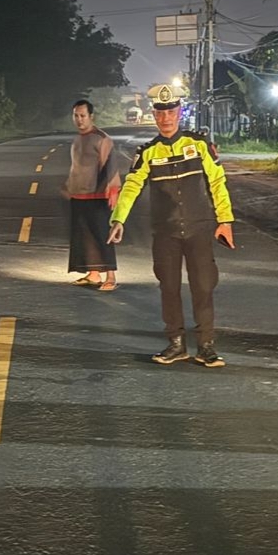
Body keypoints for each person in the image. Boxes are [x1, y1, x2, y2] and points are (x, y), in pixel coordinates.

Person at [107, 84, 235, 367]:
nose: (165, 119)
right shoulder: (148, 153)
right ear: (154, 115)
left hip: (198, 228)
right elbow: (131, 187)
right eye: (160, 113)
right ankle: (176, 344)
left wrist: (224, 221)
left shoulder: (199, 145)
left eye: (171, 112)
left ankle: (206, 346)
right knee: (169, 287)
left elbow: (217, 183)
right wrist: (118, 219)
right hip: (165, 231)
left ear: (179, 113)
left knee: (203, 285)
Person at [64, 99, 121, 291]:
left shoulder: (102, 139)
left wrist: (113, 190)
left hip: (98, 196)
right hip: (79, 196)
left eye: (83, 116)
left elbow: (111, 165)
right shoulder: (77, 139)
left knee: (101, 235)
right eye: (76, 116)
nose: (79, 120)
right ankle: (94, 274)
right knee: (84, 236)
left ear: (91, 117)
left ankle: (110, 276)